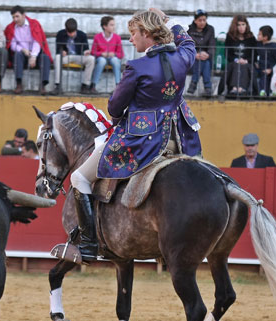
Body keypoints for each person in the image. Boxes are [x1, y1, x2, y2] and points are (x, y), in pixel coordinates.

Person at [65, 9, 202, 263]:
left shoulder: (137, 67)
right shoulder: (183, 58)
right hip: (178, 137)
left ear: (147, 35)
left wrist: (118, 121)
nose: (131, 40)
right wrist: (168, 21)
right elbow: (188, 42)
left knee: (79, 177)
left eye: (133, 34)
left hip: (142, 141)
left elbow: (115, 107)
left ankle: (88, 244)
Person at [4, 5, 52, 95]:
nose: (15, 19)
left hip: (35, 53)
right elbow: (12, 44)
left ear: (24, 15)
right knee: (17, 55)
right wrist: (23, 50)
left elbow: (37, 41)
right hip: (22, 54)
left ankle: (42, 85)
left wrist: (33, 56)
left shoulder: (34, 24)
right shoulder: (11, 27)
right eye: (13, 17)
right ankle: (19, 84)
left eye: (17, 16)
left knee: (45, 58)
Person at [53, 18, 95, 95]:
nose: (71, 34)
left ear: (76, 29)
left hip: (79, 56)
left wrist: (86, 52)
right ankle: (58, 85)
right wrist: (61, 52)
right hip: (66, 57)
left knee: (91, 59)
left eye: (73, 32)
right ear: (66, 30)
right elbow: (57, 49)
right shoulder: (60, 34)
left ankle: (85, 85)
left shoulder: (82, 35)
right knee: (57, 58)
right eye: (69, 32)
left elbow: (86, 48)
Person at [223, 15, 257, 96]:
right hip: (233, 62)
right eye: (238, 25)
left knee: (244, 66)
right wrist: (236, 60)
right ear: (235, 26)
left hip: (247, 62)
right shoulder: (230, 37)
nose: (241, 27)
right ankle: (234, 88)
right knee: (236, 65)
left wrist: (246, 60)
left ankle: (242, 89)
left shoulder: (251, 37)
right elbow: (227, 53)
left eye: (243, 24)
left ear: (246, 25)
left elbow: (255, 54)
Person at [90, 16, 124, 93]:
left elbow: (121, 54)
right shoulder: (97, 37)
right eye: (111, 25)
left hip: (112, 58)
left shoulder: (117, 37)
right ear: (105, 26)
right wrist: (102, 53)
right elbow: (93, 52)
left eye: (114, 25)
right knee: (102, 61)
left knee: (115, 60)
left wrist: (114, 53)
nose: (114, 27)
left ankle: (118, 86)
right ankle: (93, 85)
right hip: (101, 58)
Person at [186, 9, 214, 96]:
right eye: (200, 20)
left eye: (204, 20)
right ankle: (208, 87)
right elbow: (186, 45)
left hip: (206, 58)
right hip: (192, 59)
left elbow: (212, 45)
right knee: (202, 62)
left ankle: (193, 84)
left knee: (204, 62)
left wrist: (207, 54)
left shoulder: (210, 29)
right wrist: (195, 54)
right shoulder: (189, 29)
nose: (202, 22)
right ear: (195, 20)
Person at [256, 25, 276, 97]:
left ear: (265, 37)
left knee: (272, 76)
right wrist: (255, 62)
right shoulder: (258, 44)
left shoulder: (274, 47)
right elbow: (254, 54)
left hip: (272, 67)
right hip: (261, 67)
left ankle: (272, 92)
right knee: (263, 75)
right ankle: (263, 91)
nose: (257, 36)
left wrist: (271, 69)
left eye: (260, 34)